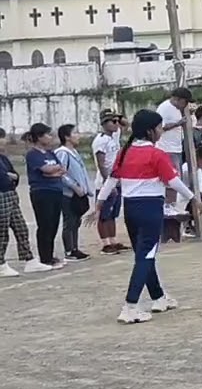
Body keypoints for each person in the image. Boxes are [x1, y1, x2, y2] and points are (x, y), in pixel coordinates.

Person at [91, 109, 200, 323]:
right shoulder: (156, 154)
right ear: (151, 131)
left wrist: (99, 204)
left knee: (144, 254)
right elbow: (173, 182)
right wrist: (193, 198)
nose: (161, 131)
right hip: (150, 208)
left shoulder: (125, 152)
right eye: (159, 127)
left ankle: (158, 296)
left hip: (130, 209)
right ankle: (130, 306)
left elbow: (111, 181)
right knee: (145, 256)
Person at [24, 123, 66, 271]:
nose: (50, 137)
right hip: (42, 192)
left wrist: (52, 172)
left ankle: (50, 254)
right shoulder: (32, 154)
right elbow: (45, 170)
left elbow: (61, 169)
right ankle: (45, 257)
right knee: (45, 224)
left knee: (54, 223)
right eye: (47, 135)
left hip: (56, 190)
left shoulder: (50, 153)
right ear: (39, 137)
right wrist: (52, 172)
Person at [54, 124, 94, 263]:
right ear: (67, 137)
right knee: (69, 221)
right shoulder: (62, 152)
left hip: (79, 193)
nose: (78, 135)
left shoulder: (74, 152)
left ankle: (75, 248)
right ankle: (69, 250)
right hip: (68, 194)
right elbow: (61, 173)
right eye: (75, 133)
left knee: (76, 221)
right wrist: (74, 186)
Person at [0, 131, 36, 276]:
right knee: (2, 231)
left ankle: (28, 258)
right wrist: (8, 176)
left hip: (10, 194)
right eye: (2, 139)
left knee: (21, 227)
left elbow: (14, 174)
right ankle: (1, 263)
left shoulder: (3, 158)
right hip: (1, 195)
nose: (4, 142)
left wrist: (10, 176)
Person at [91, 109, 126, 254]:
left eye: (116, 121)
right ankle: (105, 243)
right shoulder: (100, 140)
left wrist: (118, 117)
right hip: (105, 181)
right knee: (104, 214)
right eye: (113, 122)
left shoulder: (114, 137)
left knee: (113, 213)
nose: (116, 124)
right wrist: (108, 183)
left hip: (117, 179)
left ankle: (113, 240)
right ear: (104, 124)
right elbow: (101, 163)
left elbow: (126, 124)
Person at [155, 87, 193, 169]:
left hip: (177, 148)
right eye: (185, 101)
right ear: (177, 99)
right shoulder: (164, 108)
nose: (186, 104)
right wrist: (178, 123)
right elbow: (160, 127)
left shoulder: (178, 109)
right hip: (167, 149)